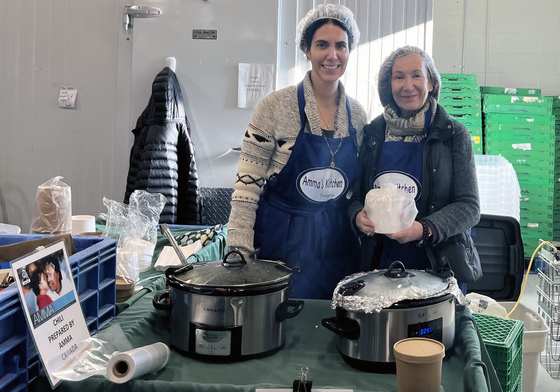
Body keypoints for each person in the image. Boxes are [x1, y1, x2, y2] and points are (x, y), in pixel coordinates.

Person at [227, 4, 367, 299]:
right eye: (322, 45)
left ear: (349, 50)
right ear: (306, 49)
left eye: (340, 45)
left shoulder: (357, 114)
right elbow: (247, 184)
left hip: (337, 241)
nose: (332, 55)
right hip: (282, 239)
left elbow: (357, 187)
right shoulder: (275, 106)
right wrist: (239, 245)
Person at [349, 45, 482, 286]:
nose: (407, 85)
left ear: (431, 83)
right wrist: (357, 217)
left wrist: (424, 229)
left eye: (416, 75)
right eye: (398, 77)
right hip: (380, 264)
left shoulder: (453, 134)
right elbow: (356, 196)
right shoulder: (373, 134)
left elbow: (469, 207)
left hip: (439, 266)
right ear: (388, 86)